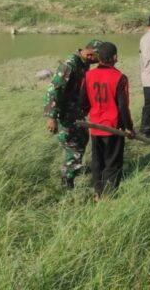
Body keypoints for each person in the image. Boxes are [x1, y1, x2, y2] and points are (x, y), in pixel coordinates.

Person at [44, 39, 103, 189]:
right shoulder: (69, 66)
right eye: (99, 57)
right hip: (65, 116)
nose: (100, 60)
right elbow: (53, 90)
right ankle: (66, 183)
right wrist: (51, 117)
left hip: (75, 114)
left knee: (82, 139)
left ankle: (74, 169)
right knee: (73, 147)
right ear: (90, 54)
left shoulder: (83, 64)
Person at [80, 42, 134, 201]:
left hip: (95, 127)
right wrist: (129, 128)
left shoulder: (88, 75)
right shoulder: (120, 78)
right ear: (115, 57)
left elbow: (83, 103)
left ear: (99, 58)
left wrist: (85, 116)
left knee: (98, 162)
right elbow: (123, 108)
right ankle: (108, 197)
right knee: (113, 164)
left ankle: (97, 193)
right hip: (113, 129)